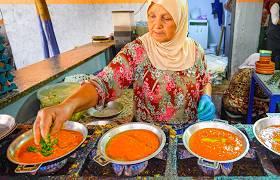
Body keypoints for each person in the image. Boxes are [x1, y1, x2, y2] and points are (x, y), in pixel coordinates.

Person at [33, 0, 216, 145]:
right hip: (147, 138)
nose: (156, 25)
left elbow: (204, 80)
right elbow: (103, 83)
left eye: (166, 18)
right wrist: (68, 106)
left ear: (181, 20)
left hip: (188, 137)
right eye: (152, 16)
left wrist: (206, 97)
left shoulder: (195, 50)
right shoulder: (138, 51)